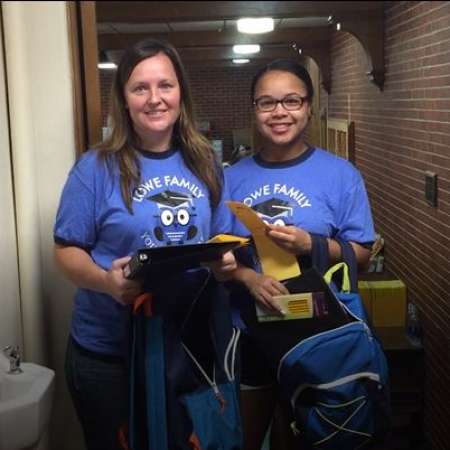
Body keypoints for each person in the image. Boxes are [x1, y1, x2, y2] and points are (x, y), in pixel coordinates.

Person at [53, 38, 236, 450]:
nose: (155, 99)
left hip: (184, 344)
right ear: (124, 99)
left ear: (181, 93)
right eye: (140, 88)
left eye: (165, 86)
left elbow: (220, 239)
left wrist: (224, 264)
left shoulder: (205, 161)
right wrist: (106, 282)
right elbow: (64, 251)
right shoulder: (95, 167)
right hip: (109, 354)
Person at [225, 59, 375, 449]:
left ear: (309, 107)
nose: (279, 112)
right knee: (245, 436)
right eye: (266, 102)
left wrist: (312, 245)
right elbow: (216, 259)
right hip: (249, 331)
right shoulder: (230, 178)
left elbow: (363, 254)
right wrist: (249, 278)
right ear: (254, 109)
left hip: (317, 334)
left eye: (291, 100)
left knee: (306, 437)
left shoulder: (341, 175)